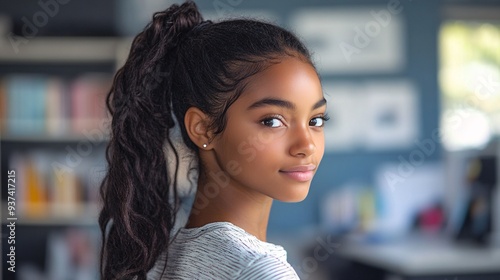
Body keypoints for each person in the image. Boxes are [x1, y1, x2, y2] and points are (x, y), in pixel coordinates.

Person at [98, 1, 328, 279]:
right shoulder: (261, 271)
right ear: (203, 129)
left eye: (315, 120)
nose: (306, 145)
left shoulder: (157, 257)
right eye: (272, 121)